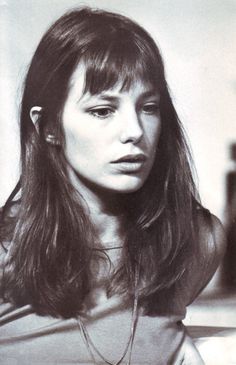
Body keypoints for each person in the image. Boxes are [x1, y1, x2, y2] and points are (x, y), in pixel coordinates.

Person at [0, 6, 225, 364]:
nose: (135, 131)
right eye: (103, 110)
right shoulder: (6, 250)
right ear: (48, 128)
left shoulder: (196, 241)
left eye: (148, 107)